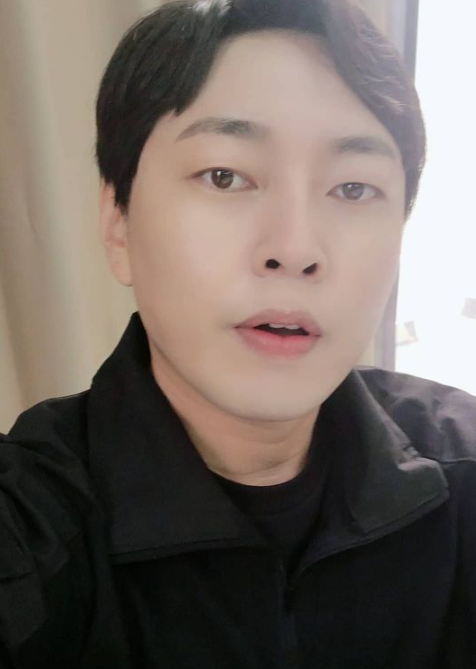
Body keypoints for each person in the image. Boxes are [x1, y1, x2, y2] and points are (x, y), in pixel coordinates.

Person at [1, 0, 475, 666]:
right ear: (117, 221)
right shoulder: (30, 528)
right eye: (225, 176)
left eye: (353, 188)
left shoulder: (463, 475)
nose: (295, 248)